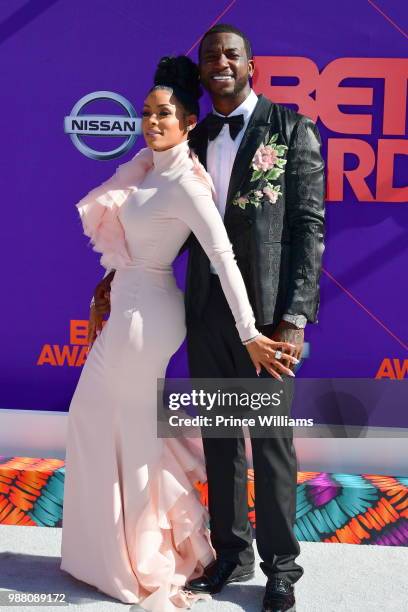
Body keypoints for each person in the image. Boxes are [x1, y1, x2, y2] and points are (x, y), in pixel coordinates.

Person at [93, 24, 325, 612]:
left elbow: (308, 229)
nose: (220, 62)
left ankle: (280, 569)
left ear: (251, 65)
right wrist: (112, 277)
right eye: (210, 56)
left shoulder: (292, 129)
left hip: (267, 321)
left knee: (270, 443)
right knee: (221, 441)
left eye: (231, 54)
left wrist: (294, 317)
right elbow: (146, 221)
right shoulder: (185, 139)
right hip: (203, 310)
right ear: (199, 72)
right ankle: (231, 554)